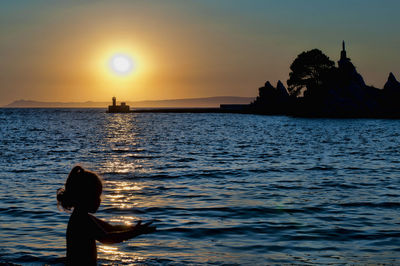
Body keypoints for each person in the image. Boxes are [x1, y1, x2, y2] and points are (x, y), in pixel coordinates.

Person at [57, 166, 156, 265]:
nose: (100, 200)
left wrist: (132, 229)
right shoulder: (82, 220)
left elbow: (111, 228)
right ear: (84, 197)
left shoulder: (84, 217)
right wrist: (134, 233)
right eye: (96, 196)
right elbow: (107, 238)